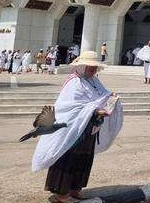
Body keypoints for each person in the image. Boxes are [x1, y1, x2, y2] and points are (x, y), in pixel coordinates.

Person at [31, 51, 123, 203]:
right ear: (81, 66)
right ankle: (62, 193)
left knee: (84, 158)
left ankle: (75, 189)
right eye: (89, 66)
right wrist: (94, 110)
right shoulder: (75, 82)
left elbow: (102, 95)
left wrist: (111, 97)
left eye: (94, 67)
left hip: (89, 128)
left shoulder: (93, 80)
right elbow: (69, 107)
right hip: (72, 129)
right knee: (68, 158)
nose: (93, 69)